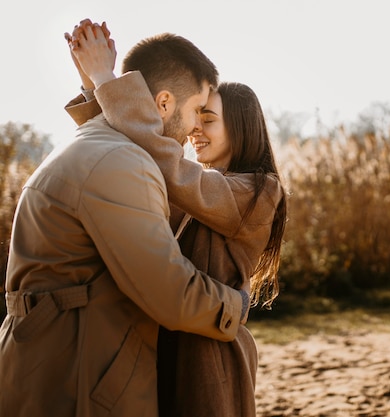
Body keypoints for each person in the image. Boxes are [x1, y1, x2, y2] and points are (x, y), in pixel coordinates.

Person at [0, 22, 251, 417]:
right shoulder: (121, 162)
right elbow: (169, 292)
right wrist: (235, 305)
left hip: (58, 370)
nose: (194, 130)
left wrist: (98, 87)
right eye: (196, 112)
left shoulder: (101, 146)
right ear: (164, 103)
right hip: (80, 385)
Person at [66, 21, 287, 417]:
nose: (194, 129)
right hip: (160, 348)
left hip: (208, 361)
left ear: (240, 127)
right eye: (196, 115)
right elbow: (128, 160)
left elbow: (161, 159)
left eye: (209, 119)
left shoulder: (258, 191)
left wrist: (106, 79)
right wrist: (93, 89)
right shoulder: (193, 184)